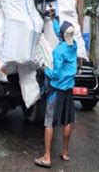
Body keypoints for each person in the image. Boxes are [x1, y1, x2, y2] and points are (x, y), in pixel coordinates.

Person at [34, 21, 77, 168]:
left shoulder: (59, 51)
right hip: (68, 92)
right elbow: (63, 34)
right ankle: (65, 152)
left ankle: (47, 157)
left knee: (49, 122)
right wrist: (54, 19)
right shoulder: (74, 45)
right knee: (67, 120)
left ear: (61, 36)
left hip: (56, 92)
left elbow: (56, 74)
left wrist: (44, 69)